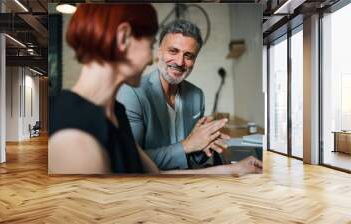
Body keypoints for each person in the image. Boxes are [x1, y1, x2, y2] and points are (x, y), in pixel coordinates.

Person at [49, 3, 262, 175]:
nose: (151, 58)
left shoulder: (115, 113)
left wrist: (234, 169)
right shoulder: (74, 136)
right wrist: (188, 145)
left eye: (189, 56)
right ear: (123, 38)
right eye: (151, 45)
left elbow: (152, 175)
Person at [117, 20, 229, 170]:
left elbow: (193, 156)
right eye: (173, 51)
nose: (179, 62)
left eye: (188, 56)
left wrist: (206, 142)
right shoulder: (132, 92)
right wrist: (186, 145)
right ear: (159, 52)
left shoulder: (197, 95)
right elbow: (130, 160)